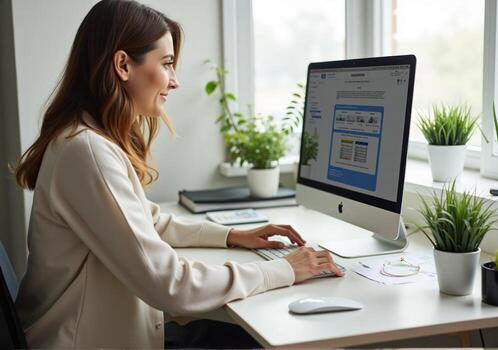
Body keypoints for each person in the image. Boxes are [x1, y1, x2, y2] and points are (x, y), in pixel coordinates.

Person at [12, 0, 344, 348]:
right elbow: (167, 284)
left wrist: (232, 235)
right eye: (167, 64)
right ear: (123, 65)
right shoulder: (87, 150)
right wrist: (284, 270)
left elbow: (148, 222)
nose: (174, 81)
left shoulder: (85, 138)